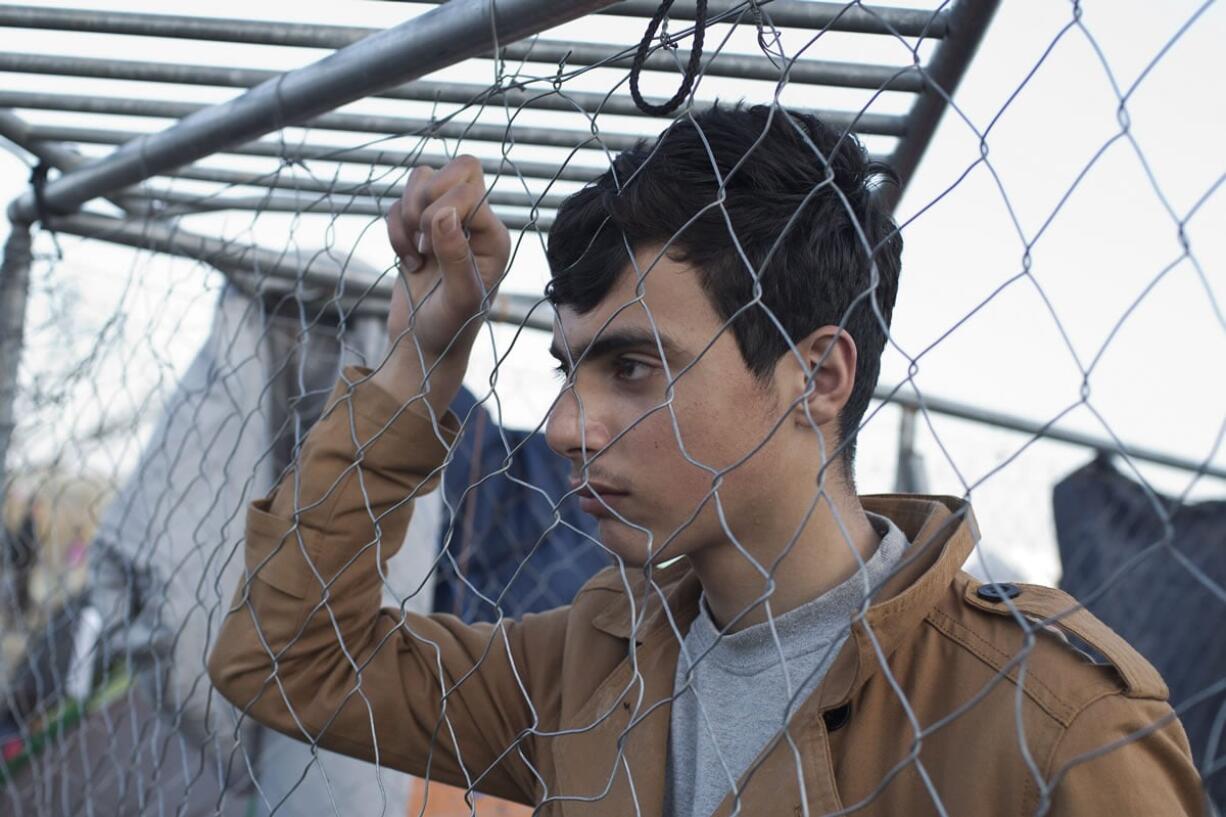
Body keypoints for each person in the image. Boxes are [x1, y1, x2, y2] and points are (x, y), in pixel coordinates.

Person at [208, 103, 1206, 816]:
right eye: (570, 367)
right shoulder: (592, 665)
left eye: (633, 365)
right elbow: (288, 660)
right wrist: (423, 359)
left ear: (817, 376)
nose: (564, 424)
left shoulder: (1047, 721)